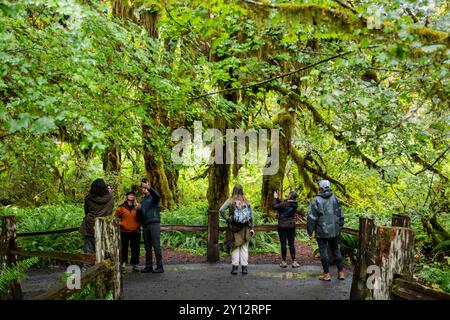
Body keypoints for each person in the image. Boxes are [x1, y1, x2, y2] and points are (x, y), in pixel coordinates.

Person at [307, 180, 345, 281]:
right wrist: (339, 226)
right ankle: (341, 272)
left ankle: (326, 274)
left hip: (321, 231)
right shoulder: (335, 198)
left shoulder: (316, 200)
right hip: (334, 230)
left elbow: (311, 217)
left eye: (319, 186)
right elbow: (340, 213)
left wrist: (310, 231)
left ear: (321, 188)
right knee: (336, 250)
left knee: (323, 252)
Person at [219, 184, 255, 275]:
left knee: (235, 247)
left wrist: (227, 218)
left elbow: (221, 210)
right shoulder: (246, 201)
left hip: (234, 228)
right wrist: (252, 227)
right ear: (242, 191)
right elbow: (251, 216)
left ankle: (235, 269)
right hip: (245, 228)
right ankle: (244, 269)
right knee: (244, 248)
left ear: (233, 190)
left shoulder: (230, 200)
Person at [79, 178, 114, 254]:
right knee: (104, 247)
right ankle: (102, 264)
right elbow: (111, 209)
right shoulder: (110, 197)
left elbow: (86, 211)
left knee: (89, 246)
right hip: (105, 224)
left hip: (90, 225)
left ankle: (87, 265)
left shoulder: (88, 198)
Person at [139, 178, 164, 273]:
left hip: (154, 224)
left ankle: (160, 267)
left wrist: (149, 188)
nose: (144, 188)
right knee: (147, 247)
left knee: (156, 245)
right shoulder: (142, 201)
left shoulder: (154, 198)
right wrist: (138, 209)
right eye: (142, 187)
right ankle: (148, 266)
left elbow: (158, 195)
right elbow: (140, 215)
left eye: (145, 186)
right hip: (145, 225)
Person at [115, 191, 141, 273]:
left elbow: (141, 218)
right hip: (124, 231)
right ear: (126, 196)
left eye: (133, 195)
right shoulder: (121, 207)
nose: (131, 196)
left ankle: (135, 265)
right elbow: (116, 218)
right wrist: (121, 224)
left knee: (135, 249)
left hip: (135, 231)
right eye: (129, 195)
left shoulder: (137, 207)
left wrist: (139, 210)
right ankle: (123, 264)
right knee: (124, 248)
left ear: (134, 197)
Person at [273, 190, 300, 268]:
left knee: (283, 244)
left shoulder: (285, 204)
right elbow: (282, 205)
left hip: (282, 226)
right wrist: (278, 198)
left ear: (290, 196)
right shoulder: (295, 204)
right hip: (291, 226)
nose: (288, 195)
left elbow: (275, 206)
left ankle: (284, 262)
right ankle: (294, 262)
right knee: (291, 244)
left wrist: (275, 199)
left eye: (289, 194)